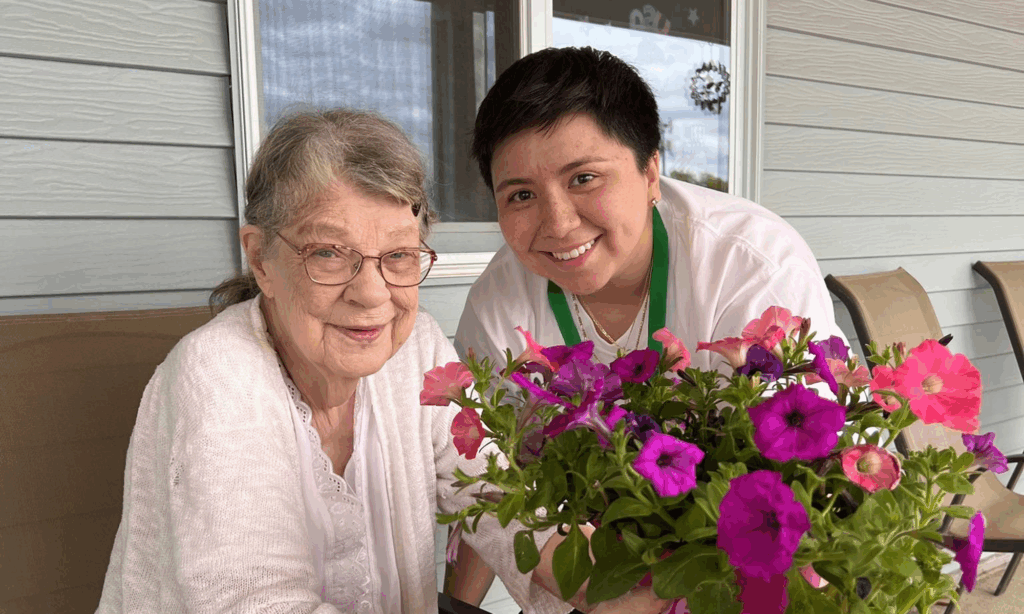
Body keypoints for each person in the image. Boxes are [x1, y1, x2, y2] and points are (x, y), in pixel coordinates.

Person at [96, 109, 661, 614]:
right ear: (260, 259)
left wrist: (608, 586)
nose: (372, 295)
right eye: (328, 254)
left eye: (398, 256)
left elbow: (495, 495)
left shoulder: (414, 347)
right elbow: (250, 598)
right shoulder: (215, 374)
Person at [451, 46, 848, 605]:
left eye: (584, 178)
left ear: (651, 171)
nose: (559, 224)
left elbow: (796, 471)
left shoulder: (751, 265)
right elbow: (490, 481)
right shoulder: (498, 303)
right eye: (521, 195)